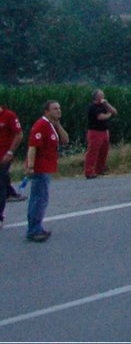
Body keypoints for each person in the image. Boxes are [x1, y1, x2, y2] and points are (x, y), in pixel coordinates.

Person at [24, 100, 65, 241]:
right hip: (39, 168)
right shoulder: (41, 125)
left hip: (47, 167)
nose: (58, 111)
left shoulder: (51, 125)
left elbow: (65, 140)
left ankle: (37, 227)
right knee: (39, 199)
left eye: (59, 108)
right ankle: (34, 230)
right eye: (55, 109)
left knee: (41, 198)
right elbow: (32, 146)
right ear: (46, 112)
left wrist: (58, 125)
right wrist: (30, 166)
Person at [84, 90, 117, 178]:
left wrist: (107, 105)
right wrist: (109, 114)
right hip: (95, 131)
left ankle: (100, 169)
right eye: (101, 95)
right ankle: (89, 171)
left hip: (104, 131)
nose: (103, 96)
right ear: (96, 97)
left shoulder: (104, 106)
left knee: (103, 151)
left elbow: (114, 111)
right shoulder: (92, 107)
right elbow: (101, 117)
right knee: (93, 152)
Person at [0, 101, 23, 223]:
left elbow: (19, 134)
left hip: (4, 156)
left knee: (0, 184)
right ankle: (10, 192)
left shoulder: (9, 116)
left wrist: (10, 152)